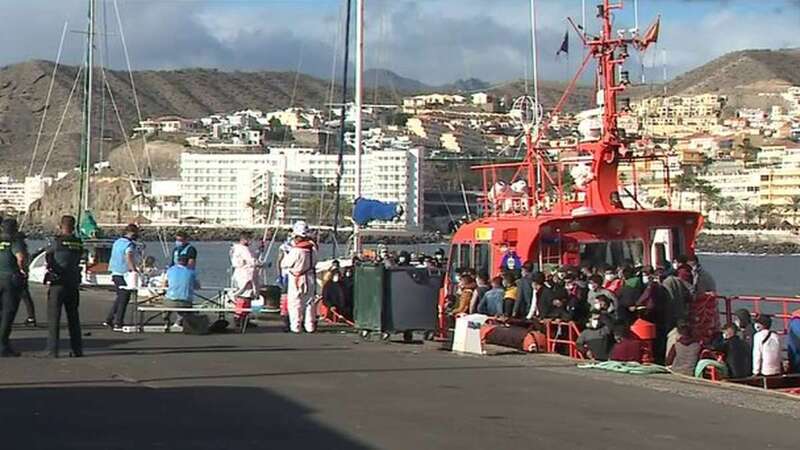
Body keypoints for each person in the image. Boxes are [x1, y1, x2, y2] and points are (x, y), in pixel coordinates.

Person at [44, 216, 84, 357]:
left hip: (58, 283)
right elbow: (79, 258)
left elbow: (48, 258)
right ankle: (77, 349)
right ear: (73, 227)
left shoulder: (57, 242)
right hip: (72, 282)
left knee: (54, 318)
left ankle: (52, 350)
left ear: (61, 226)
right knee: (73, 317)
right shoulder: (78, 243)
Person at [281, 221, 318, 333]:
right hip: (310, 277)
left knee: (295, 303)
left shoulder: (296, 250)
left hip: (296, 278)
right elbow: (315, 262)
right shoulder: (312, 249)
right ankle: (310, 326)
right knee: (309, 302)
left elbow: (285, 264)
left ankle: (296, 326)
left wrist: (286, 253)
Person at [105, 224, 140, 331]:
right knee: (124, 298)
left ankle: (109, 319)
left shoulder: (117, 242)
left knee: (120, 296)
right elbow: (128, 257)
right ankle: (118, 322)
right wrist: (134, 270)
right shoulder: (129, 244)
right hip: (124, 273)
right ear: (132, 233)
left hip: (114, 271)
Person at [0, 219, 26, 357]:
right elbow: (20, 257)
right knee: (8, 313)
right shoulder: (15, 241)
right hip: (10, 279)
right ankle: (3, 345)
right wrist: (22, 269)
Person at [637, 266, 671, 364]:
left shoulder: (652, 285)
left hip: (654, 313)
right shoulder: (663, 286)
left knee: (655, 335)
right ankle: (660, 354)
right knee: (660, 335)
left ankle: (656, 355)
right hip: (662, 313)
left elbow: (646, 295)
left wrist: (637, 304)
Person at [231, 231, 260, 328]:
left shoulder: (237, 248)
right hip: (244, 275)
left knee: (246, 297)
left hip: (243, 275)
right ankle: (239, 317)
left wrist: (259, 251)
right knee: (244, 297)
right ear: (244, 239)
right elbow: (252, 261)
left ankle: (243, 317)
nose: (250, 241)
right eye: (249, 239)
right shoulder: (242, 249)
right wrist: (262, 264)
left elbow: (252, 257)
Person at [162, 256, 200, 328]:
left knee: (167, 304)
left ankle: (166, 321)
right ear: (187, 262)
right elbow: (198, 286)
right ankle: (178, 322)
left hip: (171, 299)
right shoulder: (192, 272)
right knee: (184, 306)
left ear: (177, 261)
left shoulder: (170, 270)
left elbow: (164, 284)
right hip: (186, 301)